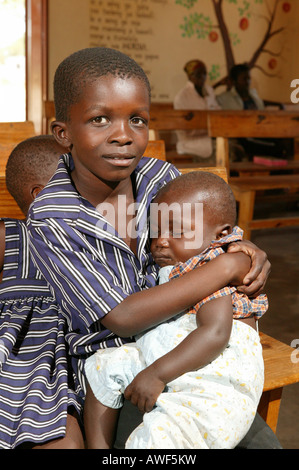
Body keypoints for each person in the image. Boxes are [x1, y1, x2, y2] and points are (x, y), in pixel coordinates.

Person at [26, 47, 274, 449]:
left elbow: (214, 234)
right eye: (100, 119)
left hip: (191, 346)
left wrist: (244, 247)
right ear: (63, 133)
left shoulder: (160, 176)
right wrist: (228, 267)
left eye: (137, 119)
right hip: (115, 370)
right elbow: (122, 319)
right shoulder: (55, 218)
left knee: (255, 441)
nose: (124, 134)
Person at [83, 171, 267, 449]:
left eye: (177, 231)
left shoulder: (212, 266)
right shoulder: (185, 264)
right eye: (156, 232)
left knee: (160, 439)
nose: (161, 241)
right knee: (103, 366)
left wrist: (157, 374)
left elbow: (215, 333)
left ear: (222, 234)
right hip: (175, 357)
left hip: (209, 385)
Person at [0, 135, 84, 449]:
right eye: (78, 183)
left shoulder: (101, 242)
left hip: (72, 367)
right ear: (41, 195)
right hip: (21, 359)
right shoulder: (13, 236)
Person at [216, 63, 293, 160]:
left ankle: (287, 172)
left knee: (288, 138)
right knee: (278, 147)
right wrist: (218, 84)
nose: (248, 82)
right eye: (244, 79)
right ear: (234, 81)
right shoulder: (225, 98)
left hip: (262, 130)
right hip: (245, 136)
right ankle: (279, 172)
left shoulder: (253, 94)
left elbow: (261, 105)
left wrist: (279, 104)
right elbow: (208, 99)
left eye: (249, 78)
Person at [173, 60, 220, 161]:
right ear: (190, 76)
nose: (202, 77)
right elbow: (184, 129)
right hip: (191, 144)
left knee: (235, 148)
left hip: (211, 139)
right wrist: (208, 127)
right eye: (198, 74)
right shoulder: (182, 97)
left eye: (204, 74)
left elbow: (217, 113)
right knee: (227, 151)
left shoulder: (208, 91)